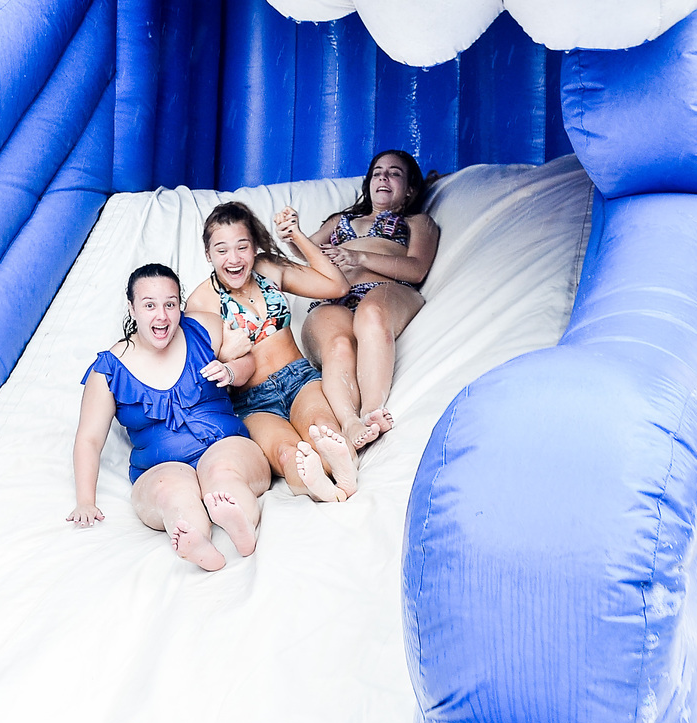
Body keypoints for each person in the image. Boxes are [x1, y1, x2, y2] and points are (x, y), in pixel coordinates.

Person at [67, 263, 272, 572]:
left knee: (222, 473)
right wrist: (85, 500)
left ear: (180, 305)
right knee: (171, 493)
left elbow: (246, 360)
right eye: (149, 305)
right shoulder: (109, 369)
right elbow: (89, 439)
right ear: (132, 309)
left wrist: (230, 371)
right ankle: (196, 542)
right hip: (159, 467)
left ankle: (241, 524)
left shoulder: (204, 327)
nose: (161, 316)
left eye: (170, 304)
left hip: (225, 444)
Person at [185, 201, 358, 503]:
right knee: (287, 453)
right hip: (252, 403)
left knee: (323, 429)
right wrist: (224, 355)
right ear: (208, 254)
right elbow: (196, 374)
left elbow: (337, 286)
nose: (234, 259)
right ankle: (322, 490)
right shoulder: (202, 302)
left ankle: (343, 473)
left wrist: (297, 236)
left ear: (254, 247)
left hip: (299, 380)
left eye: (242, 247)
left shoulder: (268, 268)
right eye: (222, 250)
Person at [288, 149, 440, 450]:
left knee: (372, 315)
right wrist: (293, 233)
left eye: (394, 173)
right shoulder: (340, 221)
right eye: (377, 173)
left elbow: (417, 268)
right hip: (337, 298)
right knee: (338, 344)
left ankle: (372, 410)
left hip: (388, 289)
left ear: (410, 189)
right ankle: (349, 422)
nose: (383, 177)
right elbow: (303, 252)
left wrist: (358, 256)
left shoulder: (416, 222)